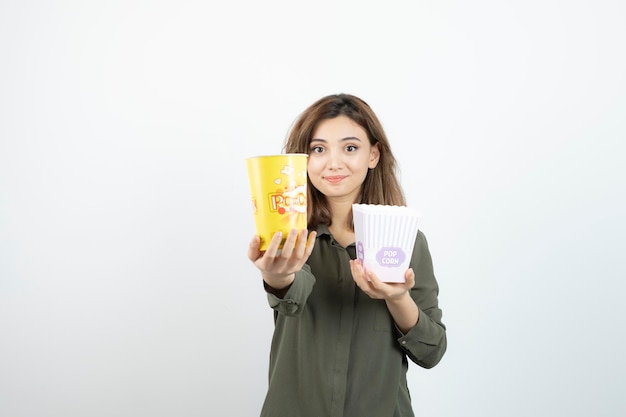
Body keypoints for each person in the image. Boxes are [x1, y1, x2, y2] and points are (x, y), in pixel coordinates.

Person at [247, 93, 447, 417]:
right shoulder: (291, 237)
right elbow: (293, 296)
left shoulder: (406, 242)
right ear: (303, 159)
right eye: (318, 149)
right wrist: (277, 276)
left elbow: (432, 350)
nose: (334, 163)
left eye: (350, 147)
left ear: (373, 154)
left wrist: (397, 298)